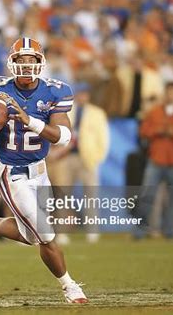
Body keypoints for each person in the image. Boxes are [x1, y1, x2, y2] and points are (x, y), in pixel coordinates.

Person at [0, 37, 88, 304]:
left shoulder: (56, 91)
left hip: (40, 172)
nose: (27, 65)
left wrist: (30, 121)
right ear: (12, 63)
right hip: (12, 173)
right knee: (46, 234)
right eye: (21, 60)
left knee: (31, 236)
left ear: (40, 63)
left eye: (32, 60)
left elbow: (63, 137)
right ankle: (70, 286)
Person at [47, 82, 110, 243]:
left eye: (85, 93)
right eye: (80, 93)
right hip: (67, 158)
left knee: (91, 195)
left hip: (87, 158)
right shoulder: (67, 111)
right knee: (63, 195)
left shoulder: (97, 113)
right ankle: (61, 232)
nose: (82, 96)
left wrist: (96, 157)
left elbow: (103, 138)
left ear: (88, 95)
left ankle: (92, 231)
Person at [134, 82, 173, 239]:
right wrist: (158, 130)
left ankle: (170, 232)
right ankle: (139, 232)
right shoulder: (154, 112)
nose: (170, 95)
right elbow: (143, 131)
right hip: (157, 158)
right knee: (147, 195)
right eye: (168, 92)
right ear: (164, 93)